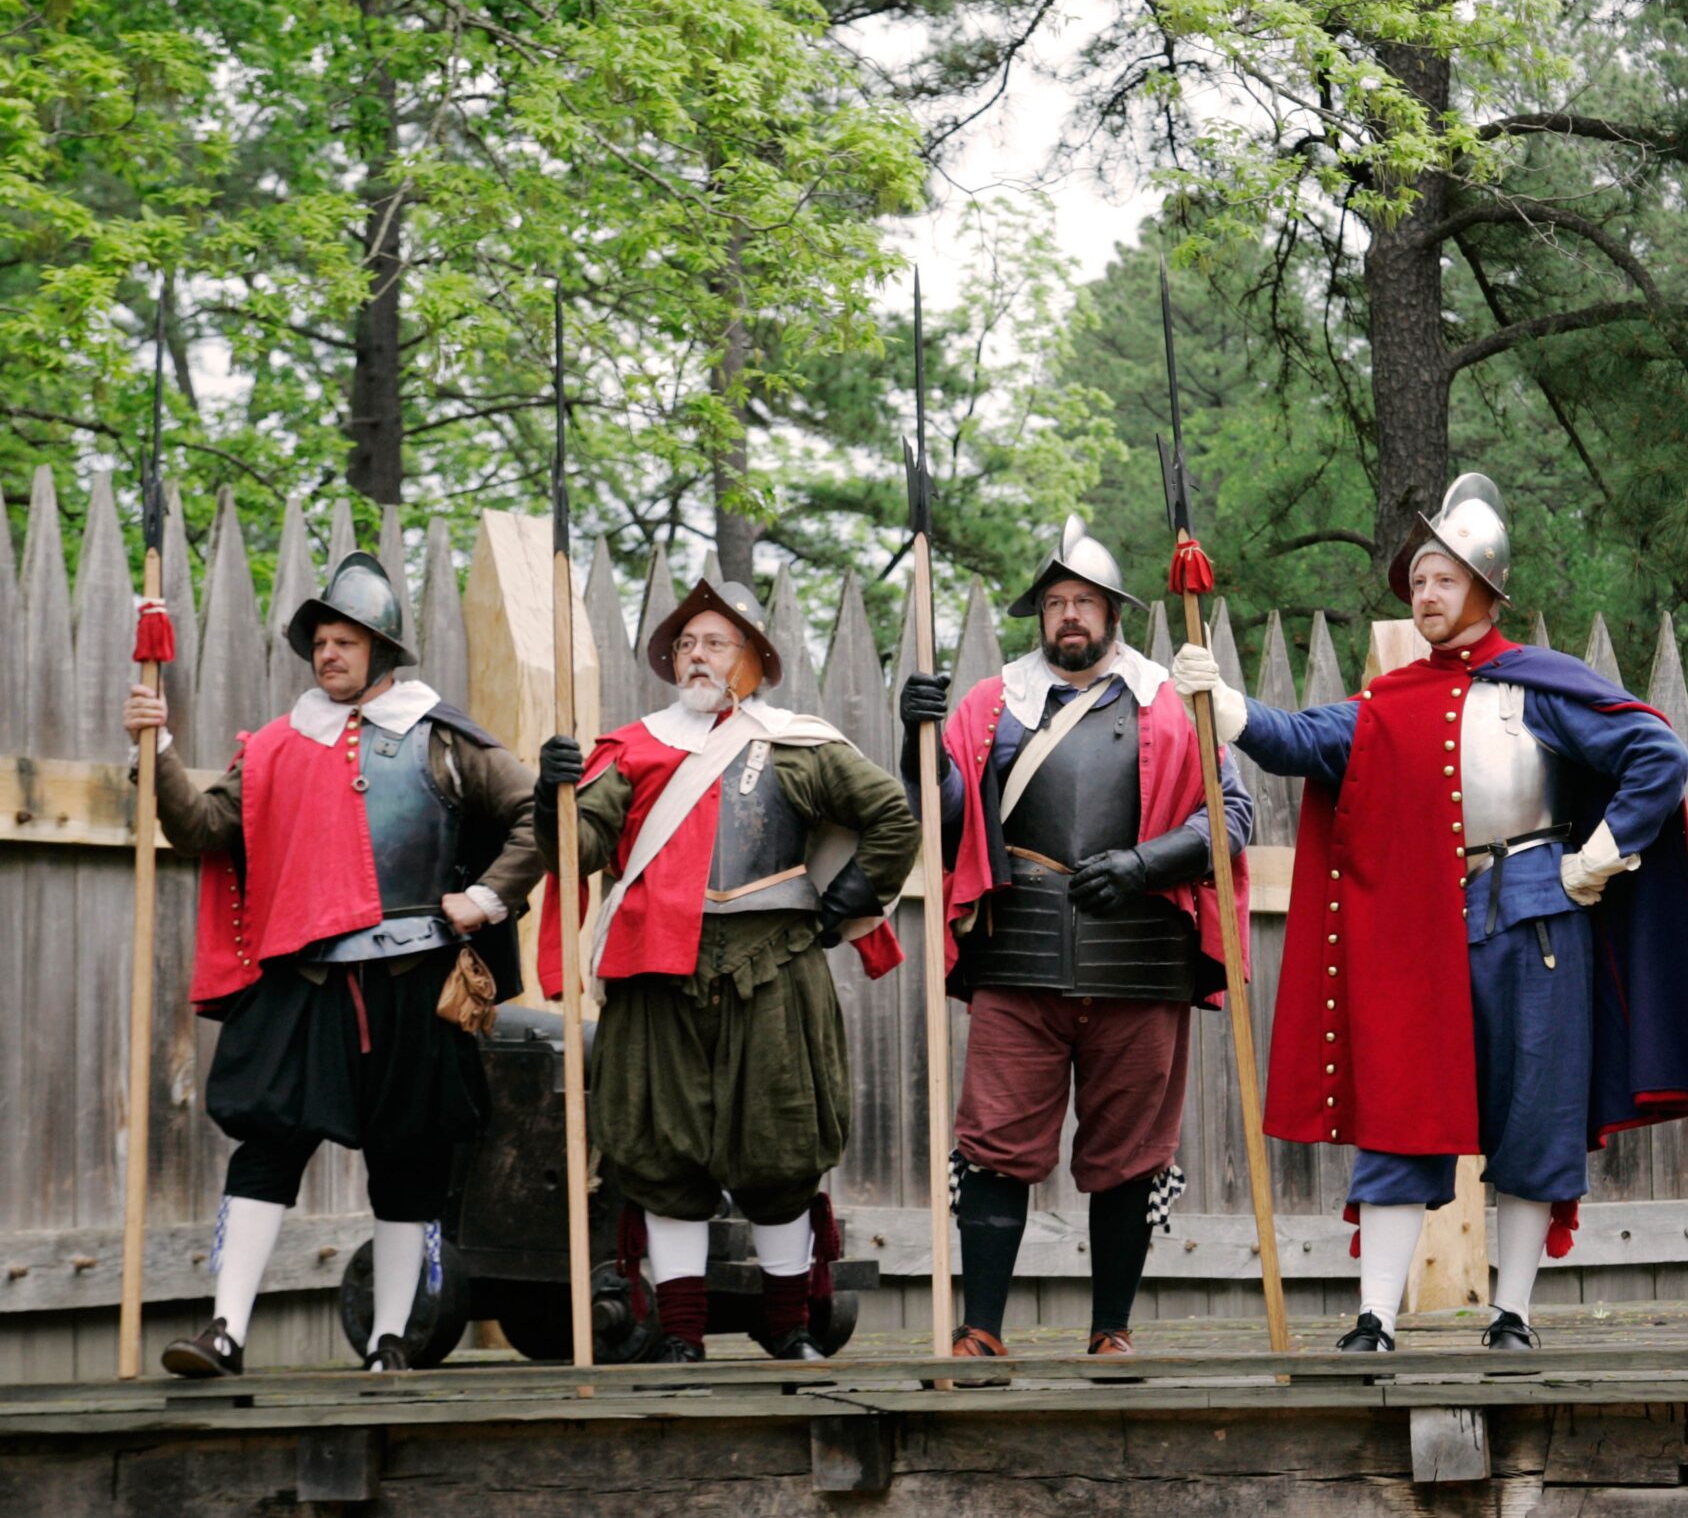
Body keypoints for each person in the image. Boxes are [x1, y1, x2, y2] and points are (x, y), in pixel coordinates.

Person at [1171, 473, 1688, 1353]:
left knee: (1536, 1116)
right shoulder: (1389, 705)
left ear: (1486, 589)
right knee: (1400, 1108)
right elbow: (1304, 741)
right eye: (1417, 580)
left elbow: (1656, 754)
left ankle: (1514, 1316)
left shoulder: (1543, 688)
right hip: (1425, 935)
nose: (1426, 592)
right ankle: (1375, 1317)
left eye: (1443, 577)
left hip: (1543, 922)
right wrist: (1229, 707)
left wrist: (1598, 857)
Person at [127, 552, 539, 1376]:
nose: (329, 654)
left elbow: (535, 812)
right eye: (320, 640)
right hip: (304, 980)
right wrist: (157, 750)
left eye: (346, 640)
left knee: (410, 1160)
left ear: (381, 650)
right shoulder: (278, 744)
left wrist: (486, 899)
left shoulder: (445, 739)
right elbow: (206, 828)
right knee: (266, 1143)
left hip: (417, 979)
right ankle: (225, 1331)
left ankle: (393, 1339)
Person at [897, 517, 1253, 1365]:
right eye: (1055, 602)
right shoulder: (991, 704)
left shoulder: (1171, 697)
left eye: (1082, 602)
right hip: (1017, 953)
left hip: (1139, 953)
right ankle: (980, 1326)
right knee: (993, 1141)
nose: (1068, 617)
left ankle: (1111, 1331)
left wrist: (1140, 863)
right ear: (1040, 615)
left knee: (1130, 1153)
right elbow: (945, 820)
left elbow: (1230, 816)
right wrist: (914, 738)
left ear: (1112, 612)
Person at [537, 577, 918, 1361]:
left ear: (751, 659)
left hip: (775, 969)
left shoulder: (799, 743)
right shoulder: (629, 750)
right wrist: (555, 794)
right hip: (654, 975)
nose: (697, 656)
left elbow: (892, 817)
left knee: (782, 1146)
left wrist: (841, 903)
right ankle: (678, 1334)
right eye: (686, 644)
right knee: (659, 1150)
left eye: (715, 642)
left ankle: (787, 1325)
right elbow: (573, 853)